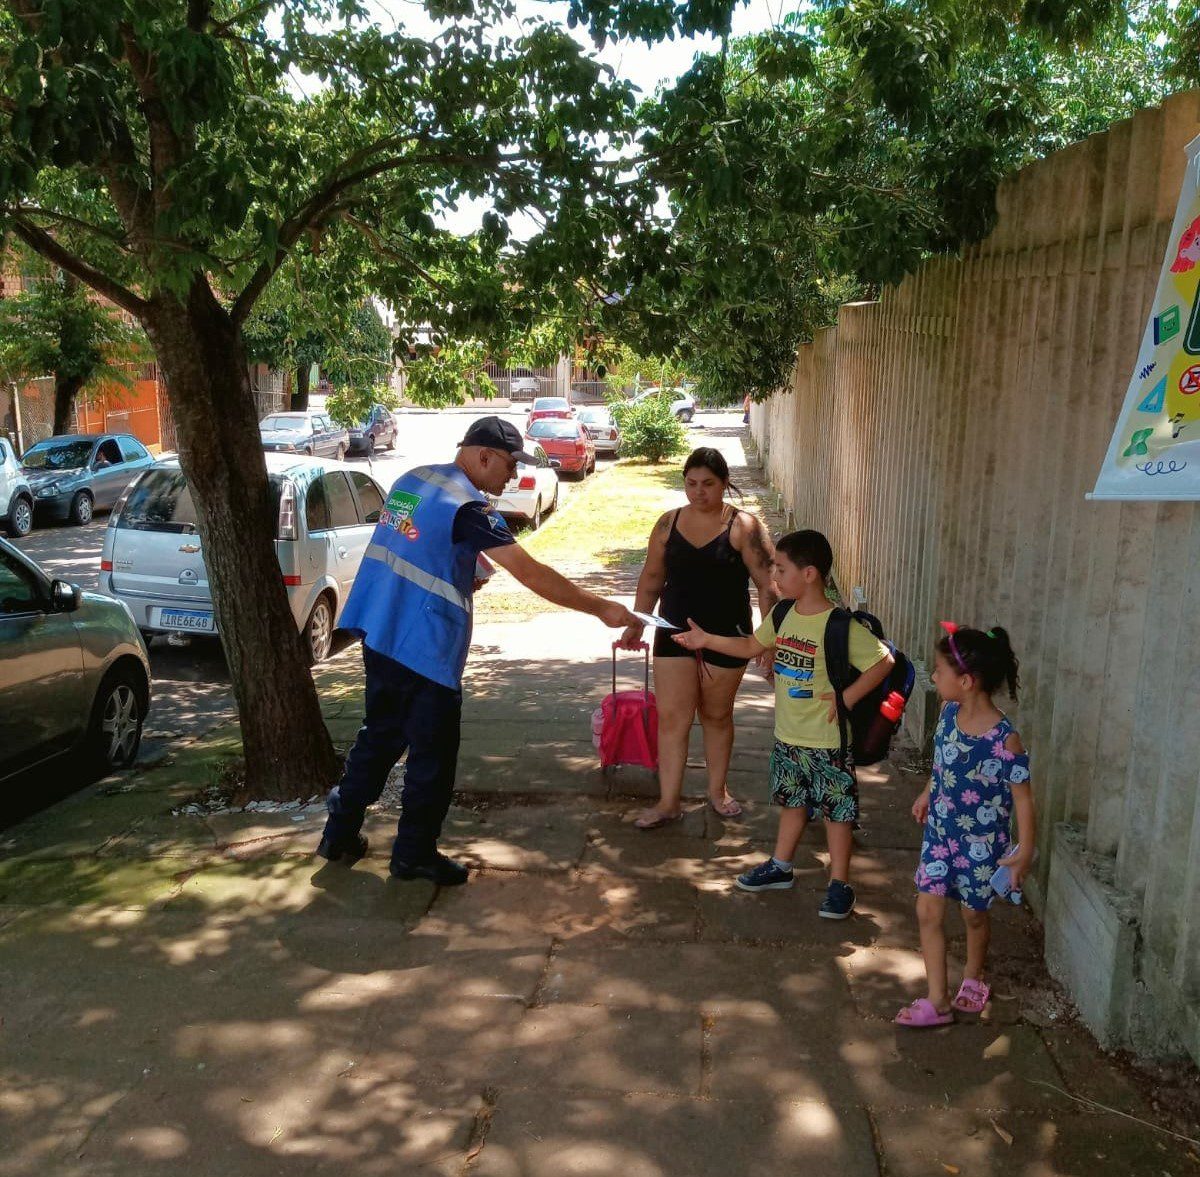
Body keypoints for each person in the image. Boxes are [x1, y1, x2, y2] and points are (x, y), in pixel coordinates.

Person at [316, 415, 636, 885]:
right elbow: (530, 572)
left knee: (379, 737)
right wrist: (600, 607)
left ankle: (338, 833)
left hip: (379, 630)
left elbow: (414, 539)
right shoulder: (469, 508)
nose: (512, 475)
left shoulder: (415, 479)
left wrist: (465, 565)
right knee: (433, 755)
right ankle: (413, 855)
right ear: (483, 455)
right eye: (509, 465)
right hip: (421, 646)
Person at [672, 529, 894, 918]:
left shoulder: (838, 624)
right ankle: (781, 867)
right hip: (788, 735)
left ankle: (840, 884)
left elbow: (883, 662)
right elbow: (749, 647)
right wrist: (706, 639)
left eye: (782, 569)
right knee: (792, 803)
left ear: (809, 574)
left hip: (828, 739)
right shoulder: (783, 613)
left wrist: (846, 698)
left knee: (836, 813)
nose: (774, 577)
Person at [618, 447, 776, 827]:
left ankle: (717, 791)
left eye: (708, 484)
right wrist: (638, 620)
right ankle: (669, 802)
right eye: (691, 483)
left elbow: (768, 586)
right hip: (673, 633)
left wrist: (768, 638)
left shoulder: (744, 527)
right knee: (672, 718)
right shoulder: (667, 524)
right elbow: (653, 576)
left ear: (724, 483)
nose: (698, 491)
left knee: (716, 715)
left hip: (727, 636)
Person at [895, 623, 1034, 1027]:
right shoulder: (948, 714)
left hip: (982, 845)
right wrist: (927, 792)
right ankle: (937, 1000)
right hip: (940, 834)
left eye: (939, 671)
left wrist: (1023, 851)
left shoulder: (1005, 740)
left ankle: (973, 976)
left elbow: (1024, 800)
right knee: (927, 910)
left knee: (974, 915)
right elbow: (943, 765)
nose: (934, 677)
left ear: (967, 681)